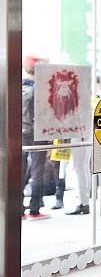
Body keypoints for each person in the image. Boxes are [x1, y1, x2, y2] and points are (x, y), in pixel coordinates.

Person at [21, 55, 48, 217]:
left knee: (21, 168)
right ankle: (35, 207)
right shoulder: (41, 87)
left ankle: (19, 207)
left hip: (20, 131)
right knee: (38, 169)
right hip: (37, 132)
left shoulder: (19, 84)